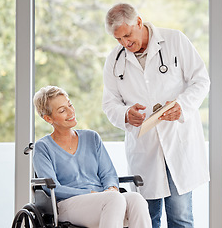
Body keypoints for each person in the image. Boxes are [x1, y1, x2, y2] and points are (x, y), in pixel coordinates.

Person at [102, 3, 210, 228]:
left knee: (180, 218)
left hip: (177, 141)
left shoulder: (175, 41)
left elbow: (201, 81)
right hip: (145, 148)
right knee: (145, 220)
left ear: (139, 22)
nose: (125, 43)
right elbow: (109, 103)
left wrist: (182, 105)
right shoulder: (114, 60)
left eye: (128, 35)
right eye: (118, 39)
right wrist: (125, 115)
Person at [32, 85, 152, 228]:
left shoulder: (91, 137)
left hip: (104, 198)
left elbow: (108, 173)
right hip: (68, 204)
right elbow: (53, 188)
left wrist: (111, 187)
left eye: (70, 105)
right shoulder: (43, 147)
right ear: (48, 118)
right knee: (114, 200)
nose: (71, 111)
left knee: (136, 199)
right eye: (62, 110)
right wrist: (91, 193)